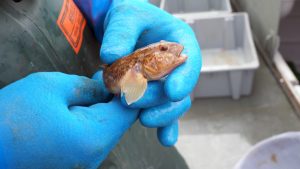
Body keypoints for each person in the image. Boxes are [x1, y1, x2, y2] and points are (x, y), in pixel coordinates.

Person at [0, 0, 202, 168]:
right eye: (164, 49)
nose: (171, 51)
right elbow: (132, 91)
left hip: (137, 133)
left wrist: (107, 7)